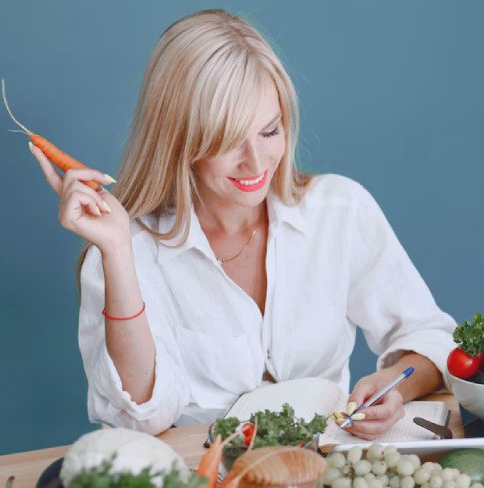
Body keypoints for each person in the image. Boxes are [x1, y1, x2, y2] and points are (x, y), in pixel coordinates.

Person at [30, 9, 455, 439]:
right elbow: (139, 418)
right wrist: (118, 254)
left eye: (269, 132)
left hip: (330, 476)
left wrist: (394, 384)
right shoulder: (130, 247)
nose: (256, 162)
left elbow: (431, 336)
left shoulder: (340, 210)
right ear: (180, 141)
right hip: (203, 484)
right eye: (229, 140)